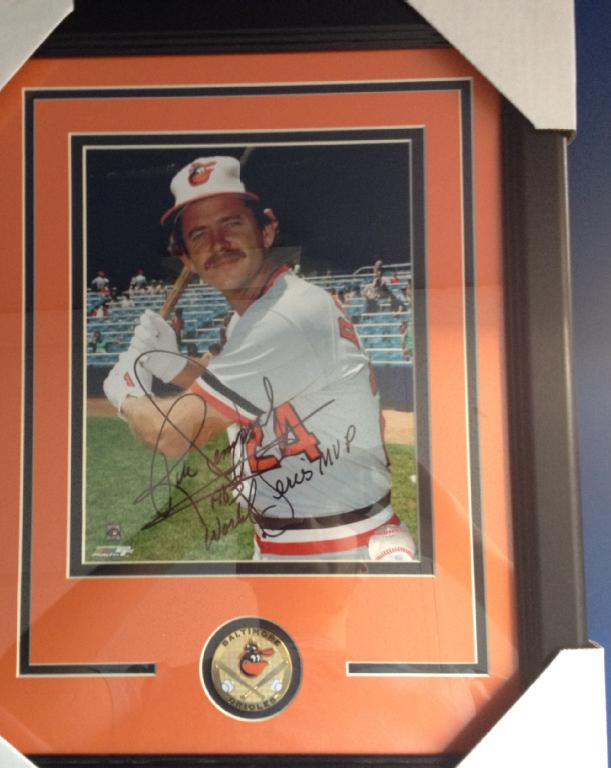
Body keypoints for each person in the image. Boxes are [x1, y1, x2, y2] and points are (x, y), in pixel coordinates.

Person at [103, 155, 396, 560]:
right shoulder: (256, 314)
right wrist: (171, 364)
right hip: (299, 537)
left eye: (232, 223)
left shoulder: (286, 317)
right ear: (187, 259)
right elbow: (222, 381)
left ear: (267, 230)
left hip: (339, 549)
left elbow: (172, 436)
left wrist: (124, 394)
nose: (218, 243)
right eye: (199, 235)